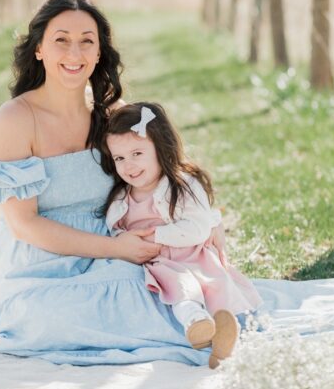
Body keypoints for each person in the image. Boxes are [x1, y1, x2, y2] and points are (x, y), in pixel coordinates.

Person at [0, 0, 224, 366]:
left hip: (116, 251)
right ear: (39, 48)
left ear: (100, 51)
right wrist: (115, 249)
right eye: (62, 40)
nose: (75, 54)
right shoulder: (16, 118)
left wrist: (208, 220)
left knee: (161, 288)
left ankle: (210, 334)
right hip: (42, 265)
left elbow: (167, 169)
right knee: (49, 318)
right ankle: (193, 340)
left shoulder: (113, 115)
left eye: (87, 41)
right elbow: (24, 225)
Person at [100, 102, 262, 368]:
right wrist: (123, 241)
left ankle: (227, 337)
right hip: (159, 263)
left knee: (217, 291)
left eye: (137, 153)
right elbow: (116, 230)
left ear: (160, 147)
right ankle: (197, 325)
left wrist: (158, 236)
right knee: (180, 290)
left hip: (192, 255)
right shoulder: (121, 197)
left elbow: (197, 228)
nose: (128, 166)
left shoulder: (183, 184)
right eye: (119, 158)